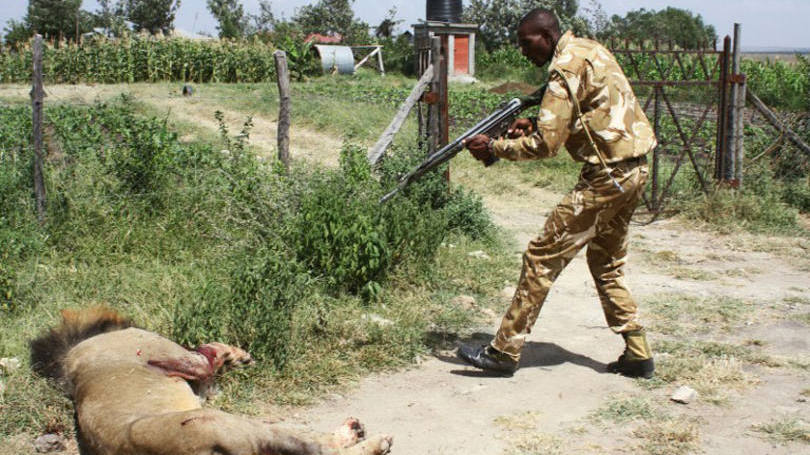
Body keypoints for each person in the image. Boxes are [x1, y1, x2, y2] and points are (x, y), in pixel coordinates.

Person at [457, 8, 656, 378]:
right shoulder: (588, 49)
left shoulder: (562, 67)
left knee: (541, 256)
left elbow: (545, 146)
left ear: (545, 37)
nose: (523, 52)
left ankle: (503, 351)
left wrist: (495, 147)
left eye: (525, 42)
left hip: (607, 177)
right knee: (606, 263)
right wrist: (535, 121)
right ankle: (638, 353)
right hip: (636, 169)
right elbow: (590, 110)